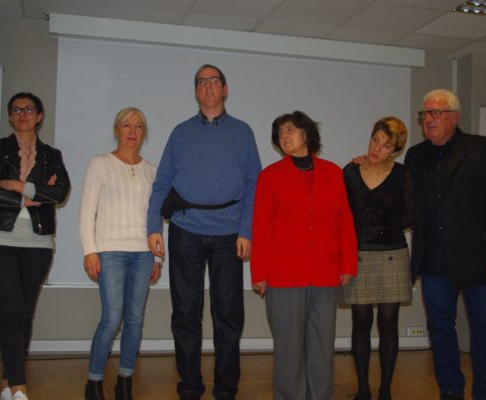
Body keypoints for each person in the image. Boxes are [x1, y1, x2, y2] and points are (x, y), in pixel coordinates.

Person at [146, 64, 261, 400]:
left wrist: (246, 230)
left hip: (229, 234)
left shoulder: (243, 132)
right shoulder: (180, 133)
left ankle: (226, 389)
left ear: (225, 89)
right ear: (195, 91)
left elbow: (254, 185)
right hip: (185, 230)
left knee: (228, 315)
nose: (208, 86)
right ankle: (190, 387)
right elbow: (161, 184)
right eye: (201, 82)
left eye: (214, 81)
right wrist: (153, 227)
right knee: (185, 313)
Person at [250, 111, 357, 400]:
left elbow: (344, 221)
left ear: (306, 134)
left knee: (322, 343)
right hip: (284, 274)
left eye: (290, 130)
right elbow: (261, 227)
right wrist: (259, 272)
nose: (284, 136)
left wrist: (347, 263)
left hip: (325, 272)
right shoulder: (270, 177)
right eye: (280, 132)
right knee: (289, 346)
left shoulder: (332, 173)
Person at [404, 89, 486, 400]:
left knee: (485, 331)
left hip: (478, 258)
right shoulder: (415, 155)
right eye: (425, 114)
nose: (429, 119)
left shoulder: (482, 149)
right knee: (440, 330)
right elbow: (404, 198)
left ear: (454, 116)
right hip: (434, 260)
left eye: (436, 112)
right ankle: (450, 391)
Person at [79, 107, 161, 400]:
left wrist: (158, 257)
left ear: (144, 133)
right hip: (110, 251)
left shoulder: (152, 171)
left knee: (135, 319)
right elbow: (87, 211)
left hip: (143, 254)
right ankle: (94, 381)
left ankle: (125, 380)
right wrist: (90, 251)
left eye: (138, 125)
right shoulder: (100, 163)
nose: (132, 130)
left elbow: (155, 217)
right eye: (127, 125)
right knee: (112, 319)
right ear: (117, 130)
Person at [0, 92, 70, 400]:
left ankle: (7, 382)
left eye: (28, 109)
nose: (22, 113)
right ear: (9, 116)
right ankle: (19, 386)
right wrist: (27, 198)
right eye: (16, 109)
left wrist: (17, 185)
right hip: (0, 238)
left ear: (39, 116)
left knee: (25, 312)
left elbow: (60, 192)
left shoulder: (52, 155)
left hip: (38, 241)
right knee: (10, 309)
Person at [339, 117, 413, 400]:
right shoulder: (350, 171)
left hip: (392, 255)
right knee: (360, 323)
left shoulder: (403, 175)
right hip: (358, 255)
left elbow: (411, 215)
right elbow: (340, 212)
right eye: (375, 140)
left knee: (389, 324)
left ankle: (385, 390)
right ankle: (363, 390)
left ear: (395, 150)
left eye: (385, 145)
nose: (377, 148)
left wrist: (381, 226)